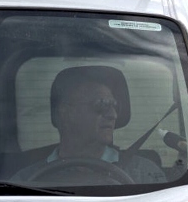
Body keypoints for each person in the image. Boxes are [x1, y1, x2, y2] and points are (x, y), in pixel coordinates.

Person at [12, 66, 166, 184]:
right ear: (65, 112)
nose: (113, 115)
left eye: (115, 106)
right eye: (102, 104)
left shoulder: (144, 174)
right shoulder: (26, 180)